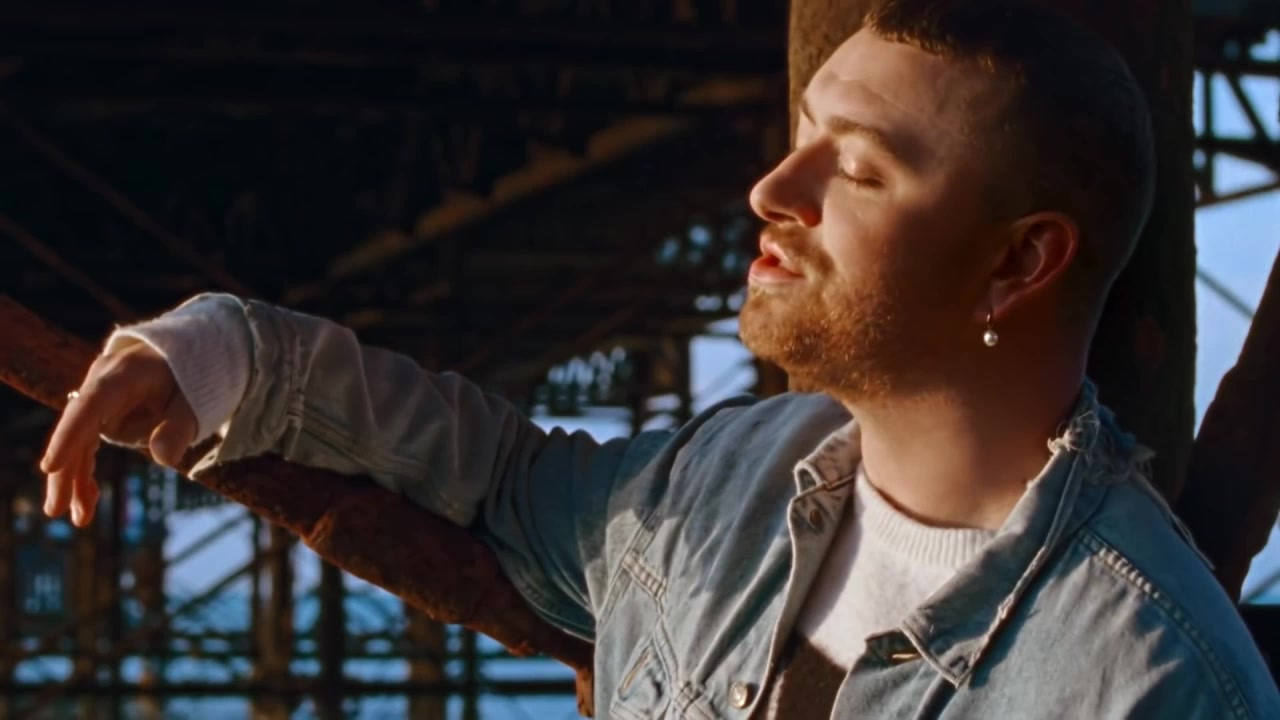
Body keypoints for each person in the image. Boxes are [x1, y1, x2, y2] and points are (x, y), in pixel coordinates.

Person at [39, 0, 1279, 717]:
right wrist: (227, 353)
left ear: (1016, 263)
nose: (769, 188)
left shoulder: (1148, 678)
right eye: (800, 137)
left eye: (855, 169)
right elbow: (503, 476)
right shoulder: (735, 473)